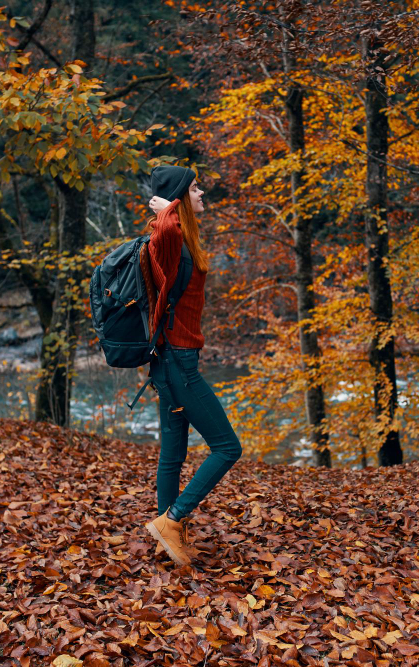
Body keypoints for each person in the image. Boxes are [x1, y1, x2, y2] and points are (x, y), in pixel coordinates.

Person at [141, 165, 243, 568]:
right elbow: (162, 231)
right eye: (196, 188)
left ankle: (166, 532)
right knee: (227, 447)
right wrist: (169, 207)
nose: (203, 194)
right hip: (178, 361)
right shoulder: (168, 237)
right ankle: (174, 519)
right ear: (181, 197)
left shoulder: (183, 240)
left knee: (173, 453)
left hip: (172, 358)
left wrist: (174, 208)